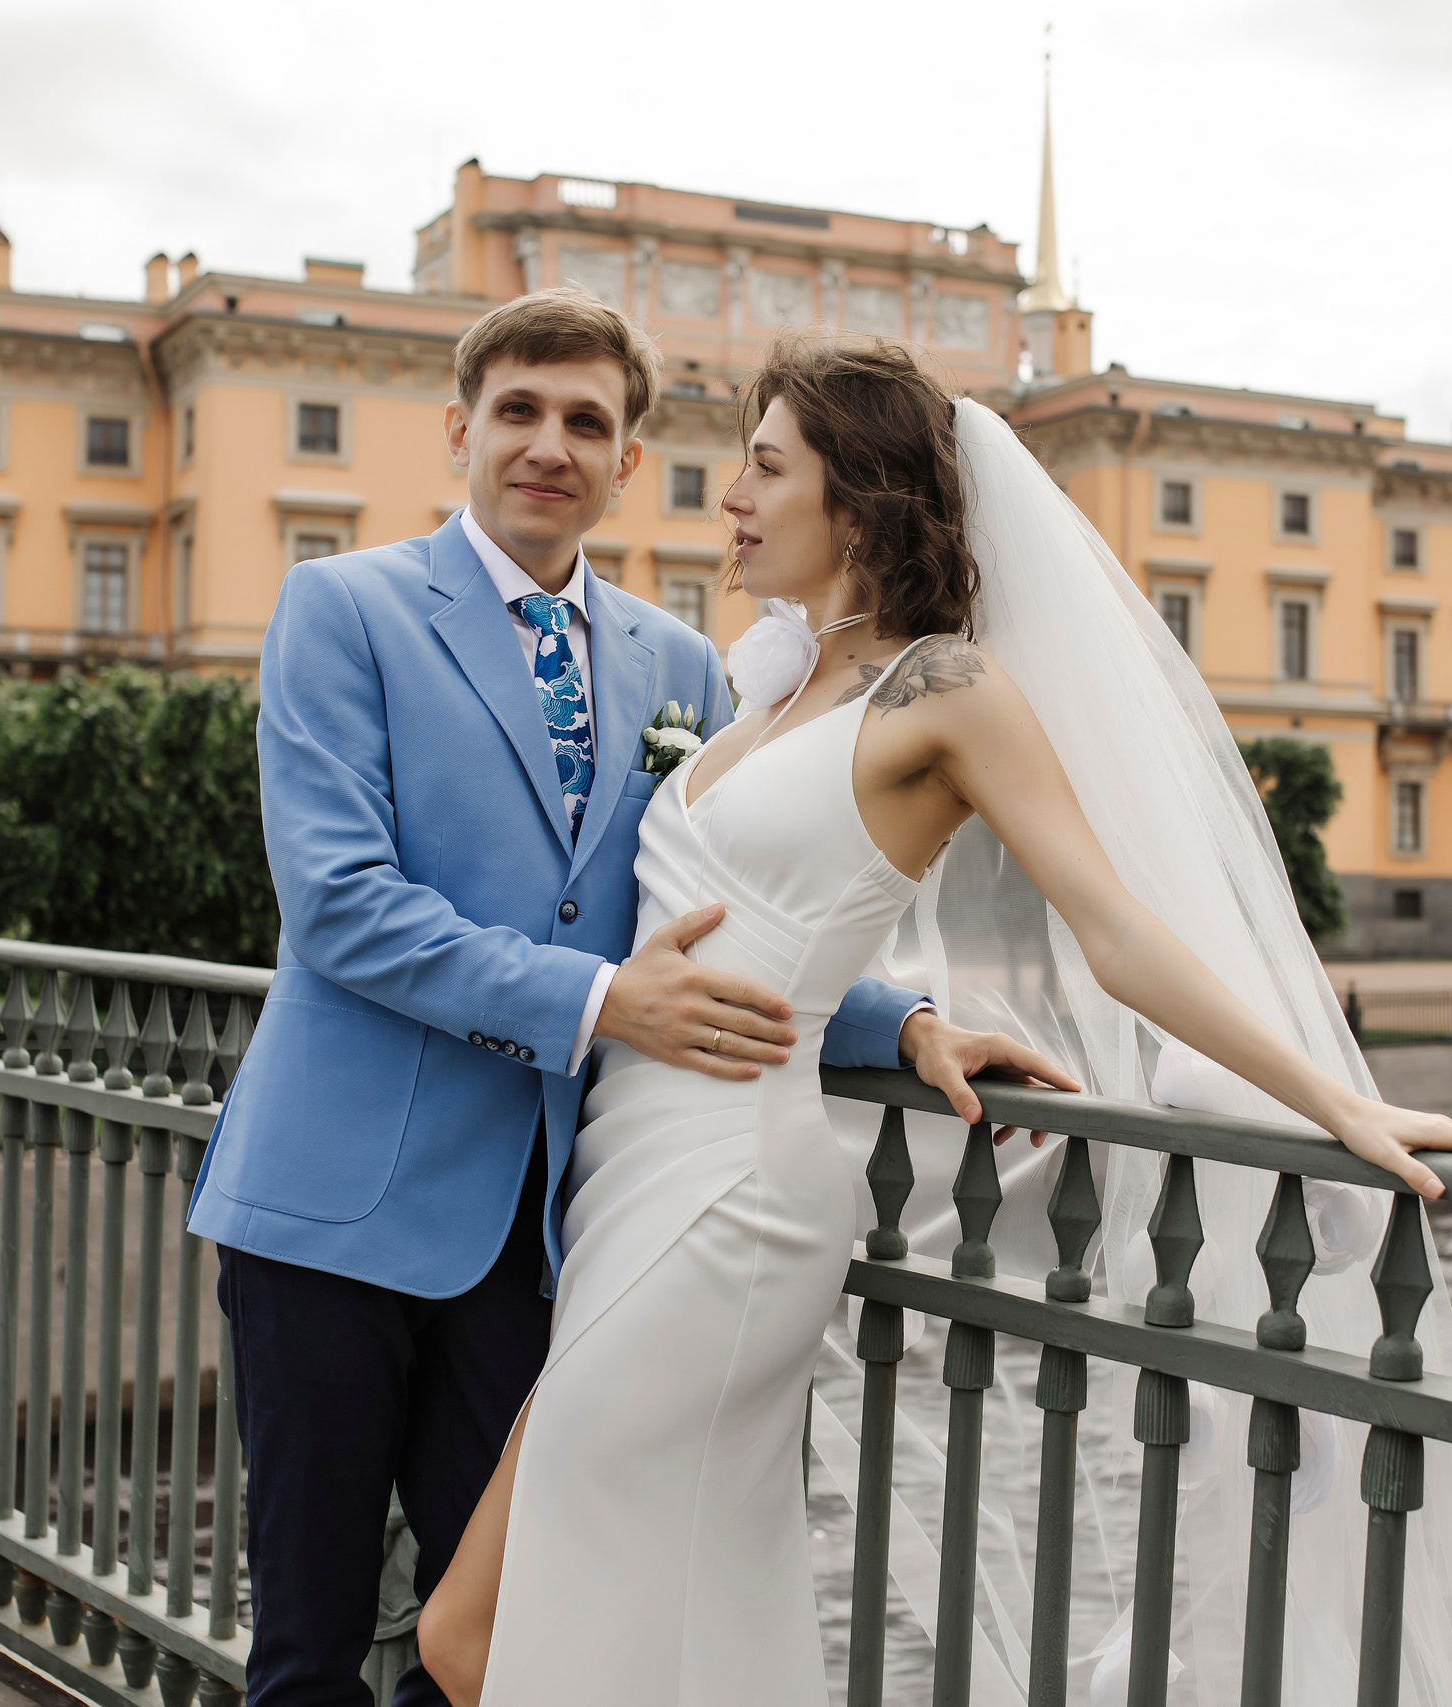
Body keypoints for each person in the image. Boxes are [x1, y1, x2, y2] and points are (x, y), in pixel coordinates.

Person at [415, 338, 1452, 1706]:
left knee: (473, 1637)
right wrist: (909, 1027)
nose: (731, 496)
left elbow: (1120, 932)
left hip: (726, 1202)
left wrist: (1340, 1103)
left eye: (768, 467)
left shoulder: (943, 693)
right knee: (650, 1622)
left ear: (863, 500)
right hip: (627, 1182)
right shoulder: (768, 692)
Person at [184, 290, 1064, 1707]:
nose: (550, 445)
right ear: (461, 430)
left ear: (626, 461)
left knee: (495, 1645)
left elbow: (717, 916)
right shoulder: (340, 608)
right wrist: (598, 1003)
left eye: (587, 422)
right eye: (519, 412)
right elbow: (343, 909)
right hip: (335, 1207)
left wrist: (897, 1023)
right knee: (310, 1645)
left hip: (544, 1229)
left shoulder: (678, 666)